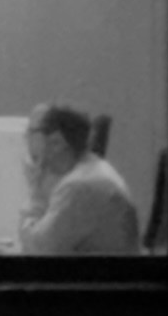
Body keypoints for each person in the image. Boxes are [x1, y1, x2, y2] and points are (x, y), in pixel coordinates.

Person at [17, 102, 141, 259]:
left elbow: (39, 250)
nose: (26, 138)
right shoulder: (89, 171)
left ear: (57, 142)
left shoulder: (80, 186)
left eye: (31, 132)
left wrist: (36, 192)